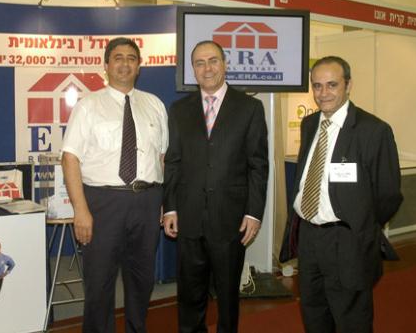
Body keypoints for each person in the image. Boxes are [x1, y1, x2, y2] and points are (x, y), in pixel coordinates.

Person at [280, 56, 403, 333]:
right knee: (314, 312)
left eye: (332, 85)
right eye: (317, 86)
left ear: (348, 85)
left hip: (347, 241)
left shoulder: (373, 131)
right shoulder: (310, 124)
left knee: (351, 319)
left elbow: (388, 195)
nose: (323, 93)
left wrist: (359, 226)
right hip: (308, 237)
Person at [62, 37, 168, 333]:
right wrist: (80, 210)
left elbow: (162, 157)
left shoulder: (155, 105)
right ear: (106, 65)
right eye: (118, 58)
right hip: (103, 203)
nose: (125, 64)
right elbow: (70, 158)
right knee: (99, 283)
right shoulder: (88, 106)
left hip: (147, 201)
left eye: (131, 58)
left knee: (142, 280)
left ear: (139, 66)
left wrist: (162, 202)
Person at [163, 40, 269, 333]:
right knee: (189, 295)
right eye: (199, 63)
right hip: (188, 218)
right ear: (193, 69)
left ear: (225, 64)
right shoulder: (179, 109)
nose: (207, 68)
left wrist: (254, 213)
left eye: (213, 61)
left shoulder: (250, 108)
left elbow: (258, 165)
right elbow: (173, 161)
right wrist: (170, 207)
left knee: (227, 296)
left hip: (230, 220)